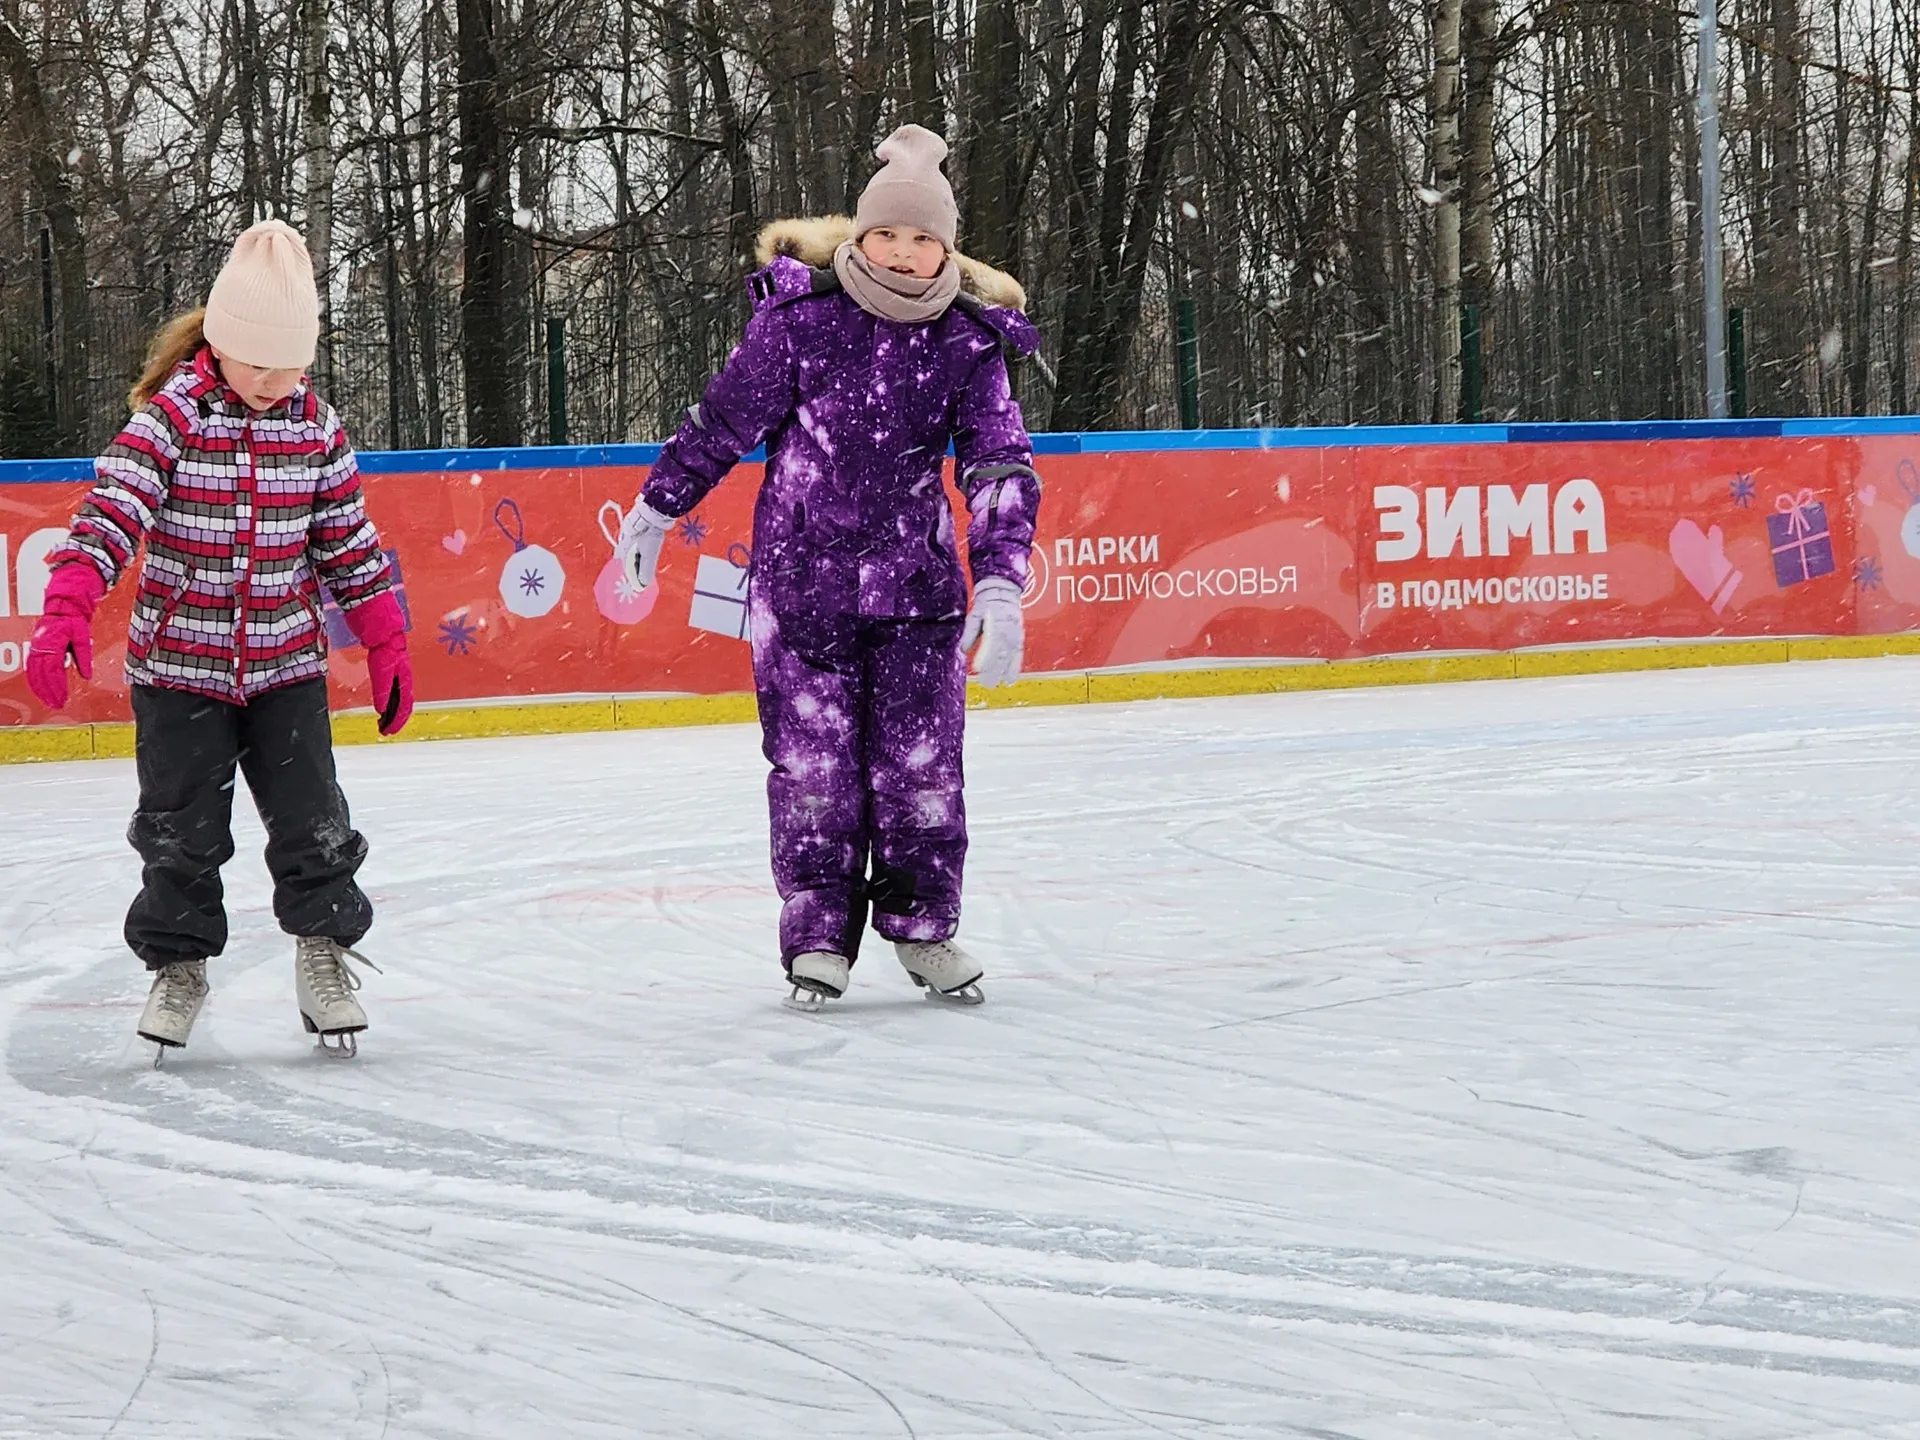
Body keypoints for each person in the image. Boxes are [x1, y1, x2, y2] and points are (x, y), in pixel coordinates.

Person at [619, 124, 1041, 1009]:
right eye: (889, 231)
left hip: (918, 593)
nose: (903, 249)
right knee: (811, 767)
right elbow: (720, 425)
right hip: (801, 590)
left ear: (946, 250)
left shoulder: (966, 345)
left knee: (923, 766)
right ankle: (817, 935)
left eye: (924, 237)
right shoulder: (801, 323)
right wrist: (658, 508)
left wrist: (1000, 578)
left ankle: (925, 930)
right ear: (860, 232)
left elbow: (999, 462)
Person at [26, 219, 414, 1061]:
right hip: (178, 671)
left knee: (315, 823)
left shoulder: (315, 427)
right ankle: (178, 966)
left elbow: (348, 542)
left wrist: (386, 639)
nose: (279, 382)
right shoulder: (171, 421)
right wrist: (66, 608)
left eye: (295, 365)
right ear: (223, 344)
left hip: (285, 667)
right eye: (261, 364)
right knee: (179, 833)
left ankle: (323, 954)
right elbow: (110, 516)